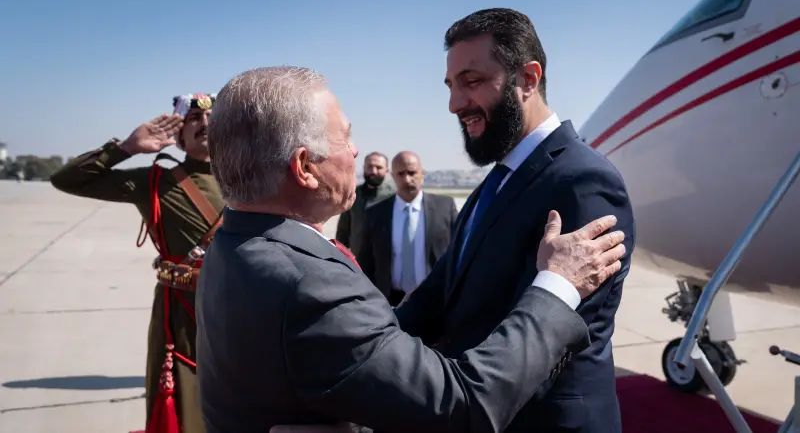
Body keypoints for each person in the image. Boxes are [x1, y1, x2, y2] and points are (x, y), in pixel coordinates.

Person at [197, 66, 627, 433]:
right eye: (345, 138)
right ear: (305, 168)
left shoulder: (234, 245)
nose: (355, 151)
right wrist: (557, 286)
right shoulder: (309, 284)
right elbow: (464, 405)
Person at [395, 8, 636, 433]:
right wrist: (362, 345)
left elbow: (550, 336)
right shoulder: (495, 185)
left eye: (472, 81)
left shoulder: (583, 181)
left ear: (528, 78)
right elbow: (439, 296)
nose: (454, 104)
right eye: (451, 86)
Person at [51, 93, 223, 433]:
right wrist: (126, 149)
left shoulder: (252, 180)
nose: (204, 123)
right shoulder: (154, 182)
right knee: (187, 415)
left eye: (212, 118)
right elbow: (66, 179)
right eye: (193, 119)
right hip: (181, 319)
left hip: (239, 314)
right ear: (179, 136)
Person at [357, 151, 457, 305]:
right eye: (401, 173)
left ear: (422, 173)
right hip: (390, 302)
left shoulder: (444, 207)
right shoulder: (375, 214)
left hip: (436, 299)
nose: (407, 179)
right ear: (392, 175)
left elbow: (458, 252)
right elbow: (366, 262)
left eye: (412, 173)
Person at [335, 151, 394, 256]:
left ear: (387, 170)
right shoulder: (354, 195)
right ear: (364, 168)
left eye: (379, 167)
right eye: (369, 167)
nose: (373, 171)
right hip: (359, 261)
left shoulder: (394, 196)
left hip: (387, 261)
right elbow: (343, 230)